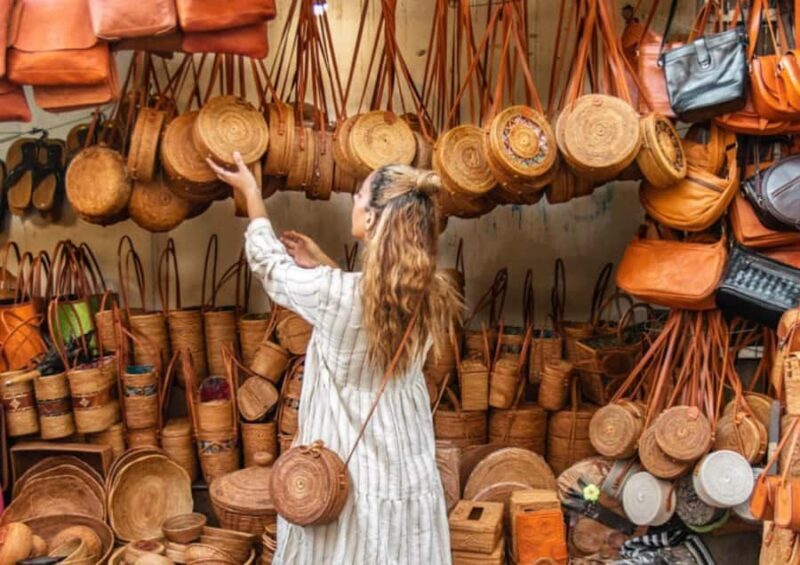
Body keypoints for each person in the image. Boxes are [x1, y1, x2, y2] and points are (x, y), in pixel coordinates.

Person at [207, 152, 462, 564]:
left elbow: (270, 266)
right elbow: (370, 304)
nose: (354, 201)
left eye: (360, 195)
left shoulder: (338, 296)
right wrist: (324, 263)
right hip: (404, 457)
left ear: (376, 219)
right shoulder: (430, 292)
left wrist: (252, 196)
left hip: (345, 463)